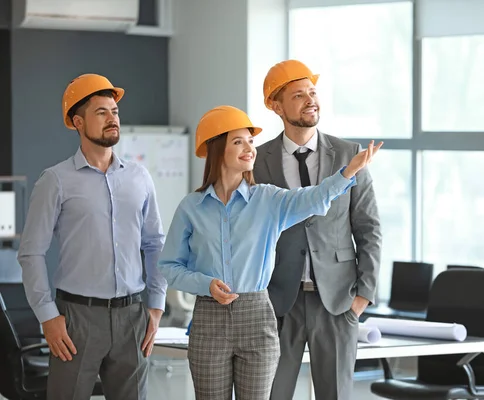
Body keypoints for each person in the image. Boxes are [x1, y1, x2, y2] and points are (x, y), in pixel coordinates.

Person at [157, 105, 382, 400]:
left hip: (258, 315)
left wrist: (347, 173)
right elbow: (169, 266)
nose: (250, 148)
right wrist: (205, 284)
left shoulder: (268, 199)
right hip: (209, 317)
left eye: (250, 141)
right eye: (238, 142)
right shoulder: (191, 207)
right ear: (216, 149)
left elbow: (314, 198)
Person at [17, 73, 167, 400]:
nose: (112, 118)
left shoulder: (140, 178)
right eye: (101, 112)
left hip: (133, 317)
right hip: (75, 320)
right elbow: (31, 253)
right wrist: (47, 315)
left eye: (114, 111)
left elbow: (155, 243)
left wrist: (156, 306)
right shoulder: (55, 181)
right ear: (78, 122)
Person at [253, 59, 383, 400]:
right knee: (270, 393)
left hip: (338, 301)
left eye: (313, 92)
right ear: (276, 106)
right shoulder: (258, 160)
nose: (311, 100)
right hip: (279, 300)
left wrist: (363, 295)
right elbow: (249, 231)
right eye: (299, 95)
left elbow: (368, 226)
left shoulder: (348, 154)